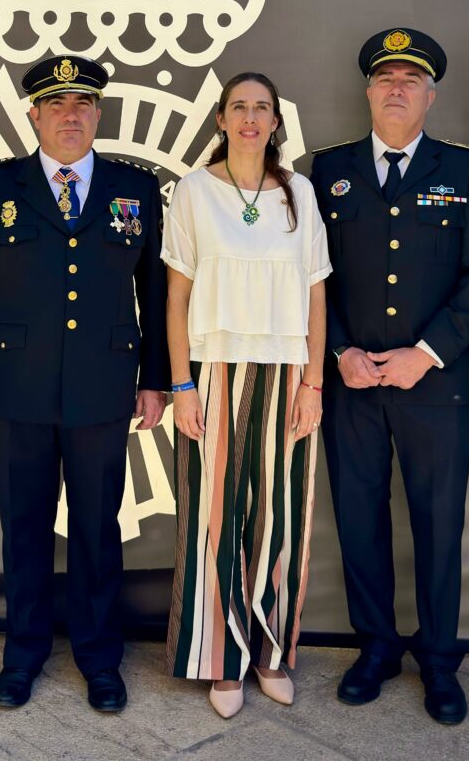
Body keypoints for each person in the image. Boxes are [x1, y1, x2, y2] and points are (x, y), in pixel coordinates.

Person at [0, 54, 168, 713]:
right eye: (57, 105)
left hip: (104, 386)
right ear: (34, 114)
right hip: (16, 386)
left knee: (98, 529)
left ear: (98, 113)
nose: (71, 116)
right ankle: (24, 655)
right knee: (24, 527)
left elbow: (154, 293)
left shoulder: (136, 188)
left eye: (83, 105)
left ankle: (100, 658)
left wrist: (155, 379)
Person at [310, 29, 469, 724]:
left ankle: (441, 661)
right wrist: (339, 351)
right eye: (385, 78)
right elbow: (310, 277)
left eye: (410, 80)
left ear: (430, 94)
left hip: (436, 384)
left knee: (437, 526)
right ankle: (377, 648)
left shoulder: (467, 170)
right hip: (353, 383)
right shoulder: (326, 169)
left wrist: (430, 350)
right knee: (359, 522)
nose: (396, 88)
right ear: (367, 90)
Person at [163, 72, 330, 719]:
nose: (251, 118)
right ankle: (220, 660)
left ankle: (270, 653)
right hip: (214, 370)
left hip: (288, 369)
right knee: (215, 523)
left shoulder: (301, 194)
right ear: (222, 120)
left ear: (276, 123)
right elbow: (176, 297)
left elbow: (317, 293)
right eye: (240, 108)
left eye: (262, 108)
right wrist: (182, 384)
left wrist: (314, 381)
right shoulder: (196, 192)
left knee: (279, 521)